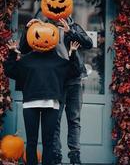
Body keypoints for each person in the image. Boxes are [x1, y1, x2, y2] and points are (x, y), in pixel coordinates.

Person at [19, 16, 93, 165]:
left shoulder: (74, 26)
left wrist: (70, 32)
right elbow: (25, 48)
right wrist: (27, 29)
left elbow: (88, 44)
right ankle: (56, 156)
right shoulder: (45, 27)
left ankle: (74, 155)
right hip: (57, 80)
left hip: (75, 78)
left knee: (74, 119)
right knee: (55, 120)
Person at [3, 36, 82, 165]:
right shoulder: (26, 60)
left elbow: (75, 71)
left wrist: (72, 53)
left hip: (51, 105)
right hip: (30, 104)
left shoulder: (59, 61)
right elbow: (10, 71)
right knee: (32, 141)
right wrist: (12, 53)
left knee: (48, 142)